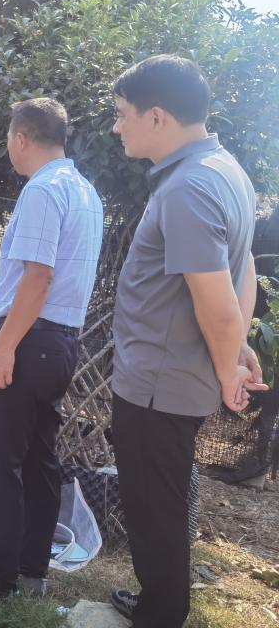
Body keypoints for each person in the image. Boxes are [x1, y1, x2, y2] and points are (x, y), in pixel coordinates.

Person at [107, 56, 265, 627]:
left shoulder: (189, 186)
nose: (116, 127)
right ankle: (158, 602)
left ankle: (161, 613)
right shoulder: (224, 171)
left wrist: (228, 368)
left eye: (122, 114)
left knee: (155, 504)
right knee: (161, 498)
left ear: (156, 117)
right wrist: (237, 348)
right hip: (170, 375)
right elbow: (242, 266)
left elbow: (214, 296)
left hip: (159, 382)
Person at [0, 98, 104, 598]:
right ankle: (33, 573)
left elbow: (38, 275)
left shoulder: (43, 189)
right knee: (38, 459)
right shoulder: (85, 191)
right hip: (60, 341)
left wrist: (5, 345)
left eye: (9, 139)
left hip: (27, 338)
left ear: (21, 138)